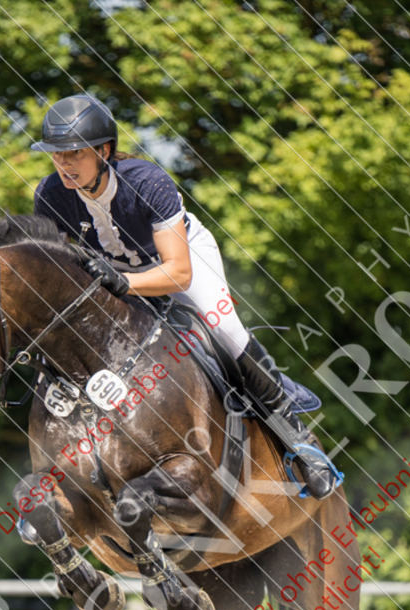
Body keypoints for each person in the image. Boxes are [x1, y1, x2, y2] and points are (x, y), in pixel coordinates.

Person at [30, 94, 340, 499]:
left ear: (103, 151)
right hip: (113, 273)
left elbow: (178, 272)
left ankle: (296, 438)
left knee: (223, 326)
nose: (63, 164)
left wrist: (125, 283)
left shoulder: (146, 181)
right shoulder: (51, 195)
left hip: (180, 259)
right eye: (56, 154)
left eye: (74, 153)